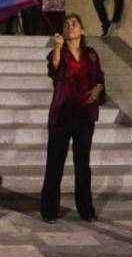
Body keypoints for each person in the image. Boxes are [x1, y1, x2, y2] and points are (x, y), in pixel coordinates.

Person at [41, 14, 105, 223]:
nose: (70, 27)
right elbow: (55, 72)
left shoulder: (91, 54)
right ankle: (50, 210)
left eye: (74, 23)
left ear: (82, 30)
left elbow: (100, 77)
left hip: (85, 115)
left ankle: (86, 209)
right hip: (62, 114)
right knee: (55, 163)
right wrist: (58, 48)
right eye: (67, 25)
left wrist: (98, 88)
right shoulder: (57, 52)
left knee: (82, 164)